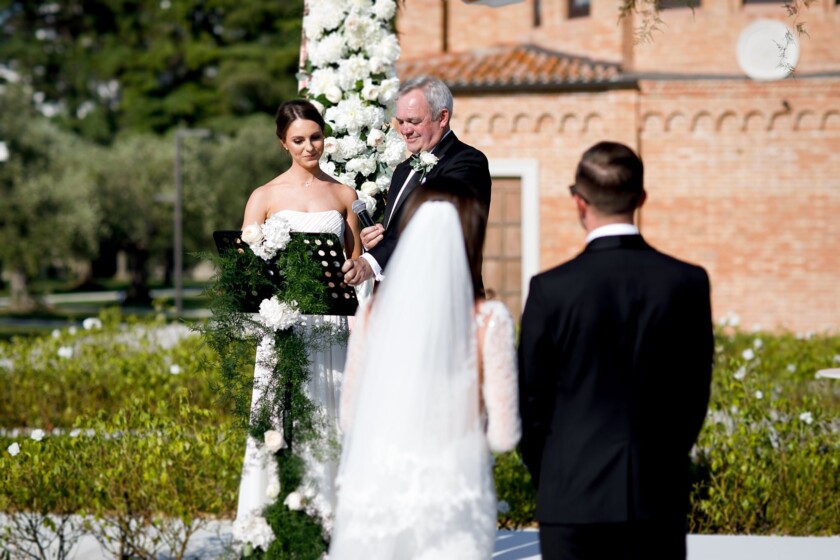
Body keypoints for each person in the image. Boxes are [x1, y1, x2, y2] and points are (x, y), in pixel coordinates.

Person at [518, 142, 714, 560]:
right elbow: (694, 394)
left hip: (570, 496)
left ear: (578, 202)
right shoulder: (687, 282)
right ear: (641, 198)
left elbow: (531, 403)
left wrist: (551, 472)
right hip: (656, 494)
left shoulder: (550, 290)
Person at [330, 180, 521, 559]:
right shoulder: (488, 321)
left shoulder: (371, 316)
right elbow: (503, 437)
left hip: (380, 494)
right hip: (453, 499)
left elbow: (349, 419)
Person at [234, 99, 362, 535]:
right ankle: (276, 524)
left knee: (331, 426)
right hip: (283, 329)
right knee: (279, 424)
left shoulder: (345, 195)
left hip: (330, 328)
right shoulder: (264, 196)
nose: (310, 147)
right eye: (299, 140)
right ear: (283, 143)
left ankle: (333, 528)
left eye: (316, 137)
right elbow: (246, 276)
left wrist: (358, 263)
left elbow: (355, 268)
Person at [341, 75, 491, 286]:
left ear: (443, 117)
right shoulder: (403, 170)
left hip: (443, 296)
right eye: (401, 121)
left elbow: (429, 226)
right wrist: (373, 243)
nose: (405, 130)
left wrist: (370, 262)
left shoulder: (467, 163)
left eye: (414, 121)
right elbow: (396, 234)